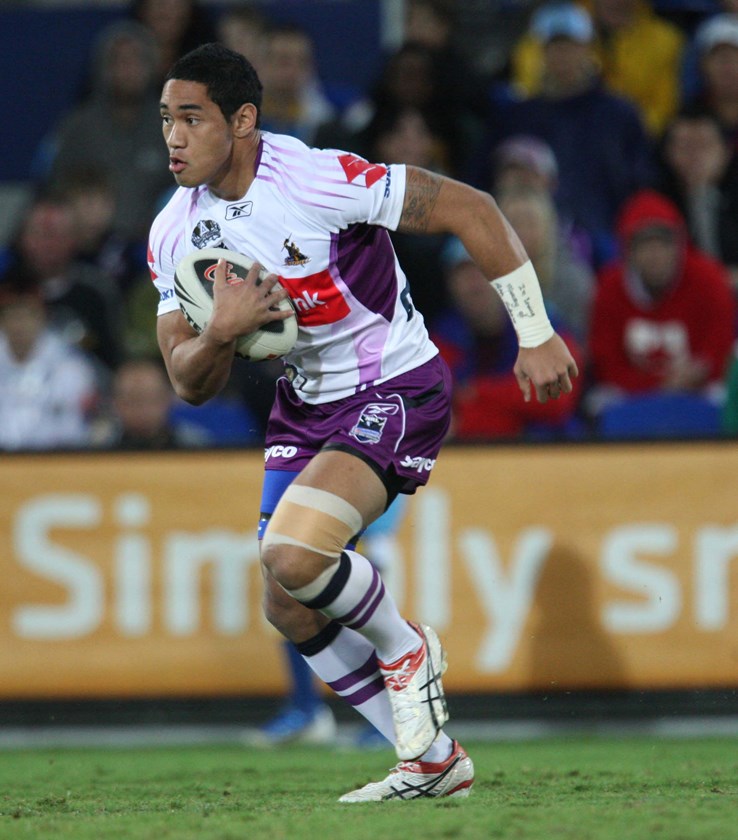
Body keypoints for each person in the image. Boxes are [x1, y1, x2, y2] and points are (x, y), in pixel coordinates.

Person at [149, 43, 577, 802]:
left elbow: (471, 207)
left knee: (290, 551)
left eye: (192, 118)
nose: (174, 138)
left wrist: (534, 332)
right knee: (284, 597)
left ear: (243, 121)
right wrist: (220, 330)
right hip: (307, 404)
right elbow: (187, 382)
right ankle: (431, 761)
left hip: (395, 386)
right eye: (166, 120)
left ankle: (407, 648)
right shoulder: (172, 234)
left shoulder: (314, 179)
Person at [480, 1, 656, 268]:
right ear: (542, 51)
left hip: (606, 244)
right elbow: (485, 179)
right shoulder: (517, 117)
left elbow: (640, 185)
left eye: (571, 45)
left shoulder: (619, 115)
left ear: (587, 48)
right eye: (554, 46)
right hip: (527, 240)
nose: (563, 55)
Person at [586, 189, 736, 422]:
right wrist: (658, 384)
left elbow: (720, 346)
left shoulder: (709, 279)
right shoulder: (609, 288)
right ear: (629, 251)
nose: (655, 255)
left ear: (679, 246)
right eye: (645, 245)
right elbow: (606, 361)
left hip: (699, 390)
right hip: (632, 393)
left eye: (664, 244)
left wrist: (699, 371)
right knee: (598, 404)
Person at [432, 238, 585, 440]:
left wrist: (479, 393)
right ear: (450, 284)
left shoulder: (544, 325)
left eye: (482, 271)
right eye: (464, 274)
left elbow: (559, 399)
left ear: (503, 278)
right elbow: (434, 415)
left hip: (546, 453)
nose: (475, 284)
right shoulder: (439, 339)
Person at [511, 0, 685, 136]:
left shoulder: (664, 40)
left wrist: (621, 128)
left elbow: (664, 109)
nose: (618, 2)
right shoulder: (565, 18)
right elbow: (528, 83)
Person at [0, 284, 99, 451]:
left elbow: (77, 426)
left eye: (26, 316)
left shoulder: (71, 367)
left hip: (55, 460)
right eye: (13, 316)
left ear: (42, 319)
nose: (19, 325)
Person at [656, 108, 738, 289]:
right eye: (685, 146)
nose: (695, 156)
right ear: (667, 153)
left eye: (704, 145)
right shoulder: (656, 202)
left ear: (727, 151)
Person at [93, 357, 210, 450]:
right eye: (132, 400)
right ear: (115, 403)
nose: (142, 410)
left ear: (168, 399)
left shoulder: (195, 447)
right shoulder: (96, 448)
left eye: (150, 399)